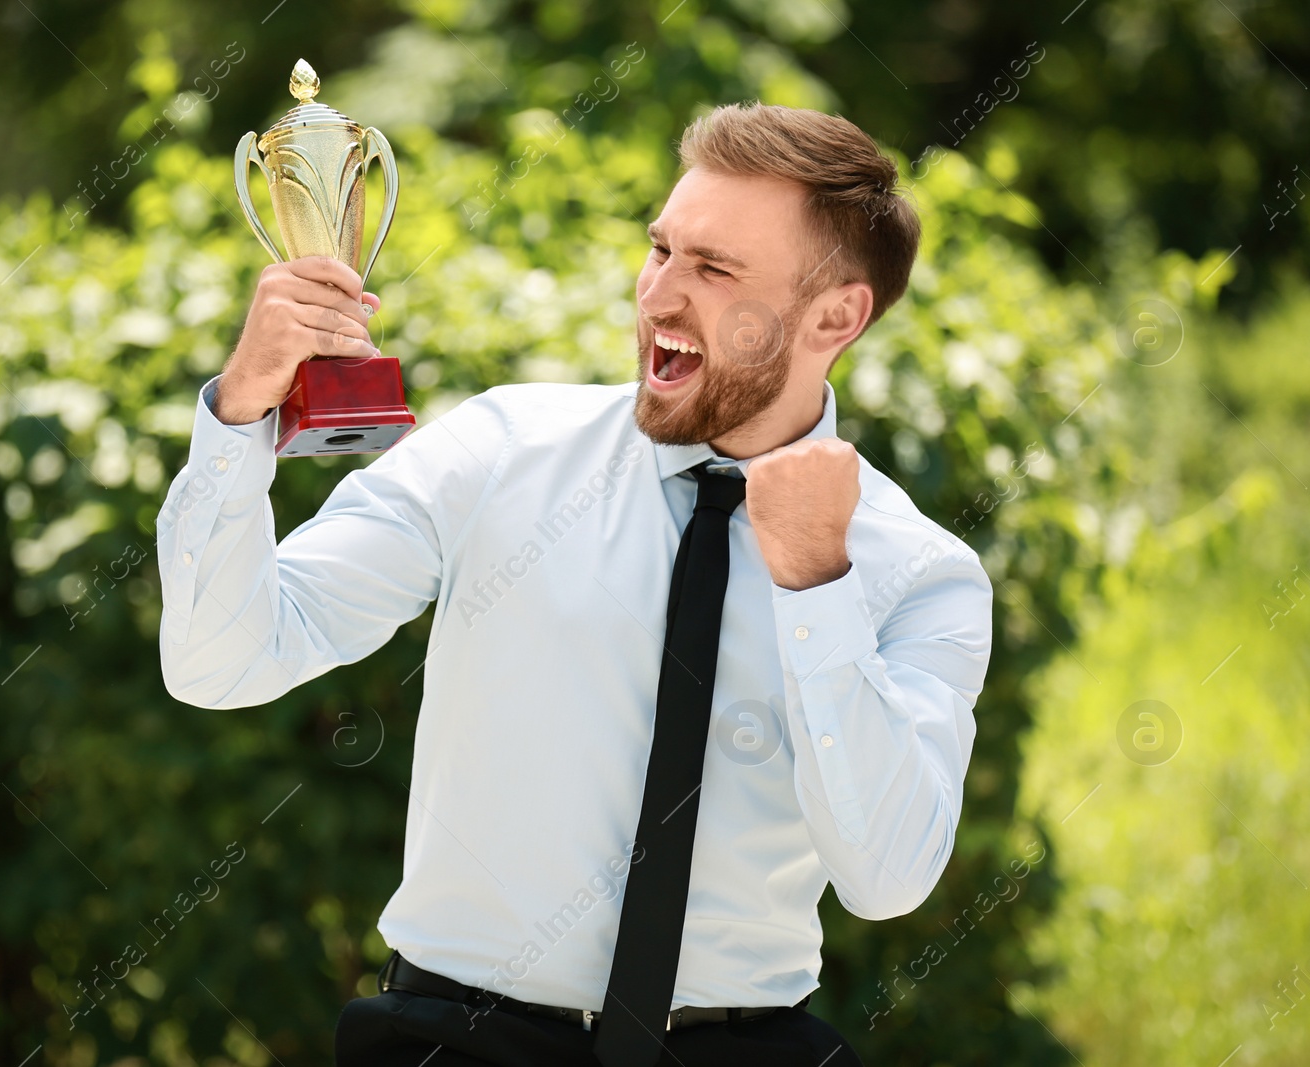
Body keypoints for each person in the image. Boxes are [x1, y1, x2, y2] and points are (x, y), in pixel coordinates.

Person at [156, 102, 993, 1067]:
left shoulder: (919, 572)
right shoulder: (499, 449)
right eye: (661, 250)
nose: (659, 297)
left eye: (713, 270)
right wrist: (239, 412)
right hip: (454, 1044)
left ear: (837, 313)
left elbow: (887, 877)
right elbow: (221, 661)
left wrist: (817, 587)